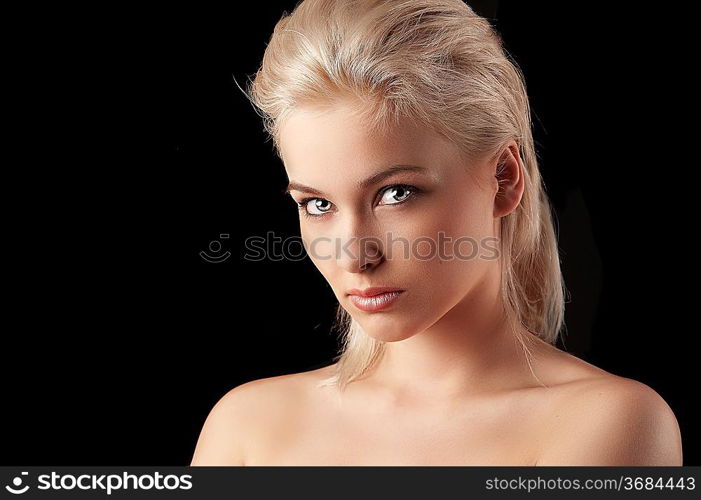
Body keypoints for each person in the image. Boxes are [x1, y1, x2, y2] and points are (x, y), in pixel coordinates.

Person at [190, 0, 682, 465]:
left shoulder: (610, 424)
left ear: (504, 179)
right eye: (317, 204)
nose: (354, 255)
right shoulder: (245, 427)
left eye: (396, 193)